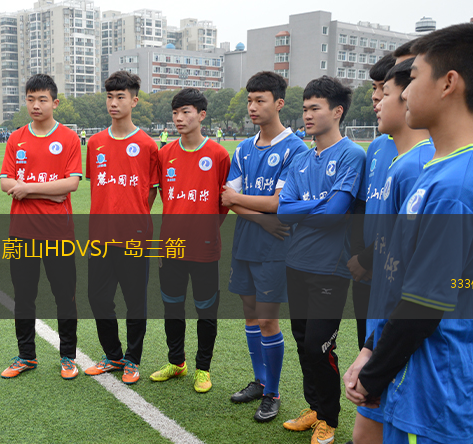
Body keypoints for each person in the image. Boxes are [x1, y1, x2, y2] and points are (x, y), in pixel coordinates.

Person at [343, 23, 473, 444]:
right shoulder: (442, 169)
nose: (402, 92)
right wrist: (372, 348)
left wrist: (373, 374)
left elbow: (425, 304)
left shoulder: (459, 184)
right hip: (418, 374)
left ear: (449, 83)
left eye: (415, 78)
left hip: (433, 383)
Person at [338, 58, 438, 444]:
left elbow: (428, 285)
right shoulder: (393, 155)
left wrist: (376, 355)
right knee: (369, 437)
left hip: (414, 339)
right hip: (386, 318)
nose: (376, 98)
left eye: (389, 88)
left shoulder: (427, 167)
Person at [276, 76, 366, 444]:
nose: (307, 115)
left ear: (337, 111)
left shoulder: (351, 155)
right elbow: (283, 211)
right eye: (305, 108)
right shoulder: (301, 157)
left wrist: (307, 208)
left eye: (315, 108)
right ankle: (314, 408)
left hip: (330, 268)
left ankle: (329, 417)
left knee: (319, 345)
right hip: (296, 262)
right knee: (302, 342)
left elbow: (335, 215)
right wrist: (321, 204)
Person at [220, 71, 309, 422]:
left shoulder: (295, 149)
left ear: (279, 103)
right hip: (247, 242)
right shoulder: (243, 148)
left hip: (275, 248)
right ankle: (259, 381)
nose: (253, 107)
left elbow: (278, 203)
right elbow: (227, 199)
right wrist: (262, 217)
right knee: (250, 314)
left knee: (268, 319)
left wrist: (247, 204)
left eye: (260, 100)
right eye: (250, 100)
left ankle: (273, 391)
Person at [0, 73, 82, 380]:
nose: (35, 105)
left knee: (64, 296)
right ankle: (26, 356)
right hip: (21, 232)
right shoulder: (16, 138)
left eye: (42, 99)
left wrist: (28, 188)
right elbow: (6, 182)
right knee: (23, 296)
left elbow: (71, 184)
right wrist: (49, 191)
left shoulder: (69, 138)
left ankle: (68, 357)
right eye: (30, 99)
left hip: (58, 233)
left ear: (54, 103)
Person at [82, 70, 160, 385]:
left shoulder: (147, 145)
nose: (113, 103)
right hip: (100, 237)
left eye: (120, 97)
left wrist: (136, 217)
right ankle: (113, 355)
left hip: (134, 238)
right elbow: (98, 186)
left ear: (134, 101)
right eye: (109, 97)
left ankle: (132, 359)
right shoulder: (95, 143)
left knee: (135, 301)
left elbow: (151, 190)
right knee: (98, 298)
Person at [338, 52, 398, 444]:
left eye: (383, 88)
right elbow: (361, 206)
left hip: (393, 273)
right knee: (367, 344)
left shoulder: (425, 154)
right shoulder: (377, 146)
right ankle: (371, 426)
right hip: (366, 271)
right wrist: (358, 255)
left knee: (393, 349)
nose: (375, 97)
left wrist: (369, 258)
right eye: (375, 88)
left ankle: (387, 433)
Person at [151, 88, 230, 393]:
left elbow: (223, 203)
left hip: (205, 248)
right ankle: (176, 362)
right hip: (171, 247)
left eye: (186, 112)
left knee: (205, 310)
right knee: (172, 307)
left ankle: (203, 369)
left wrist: (205, 229)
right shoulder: (164, 154)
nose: (179, 118)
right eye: (175, 113)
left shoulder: (218, 155)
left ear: (201, 115)